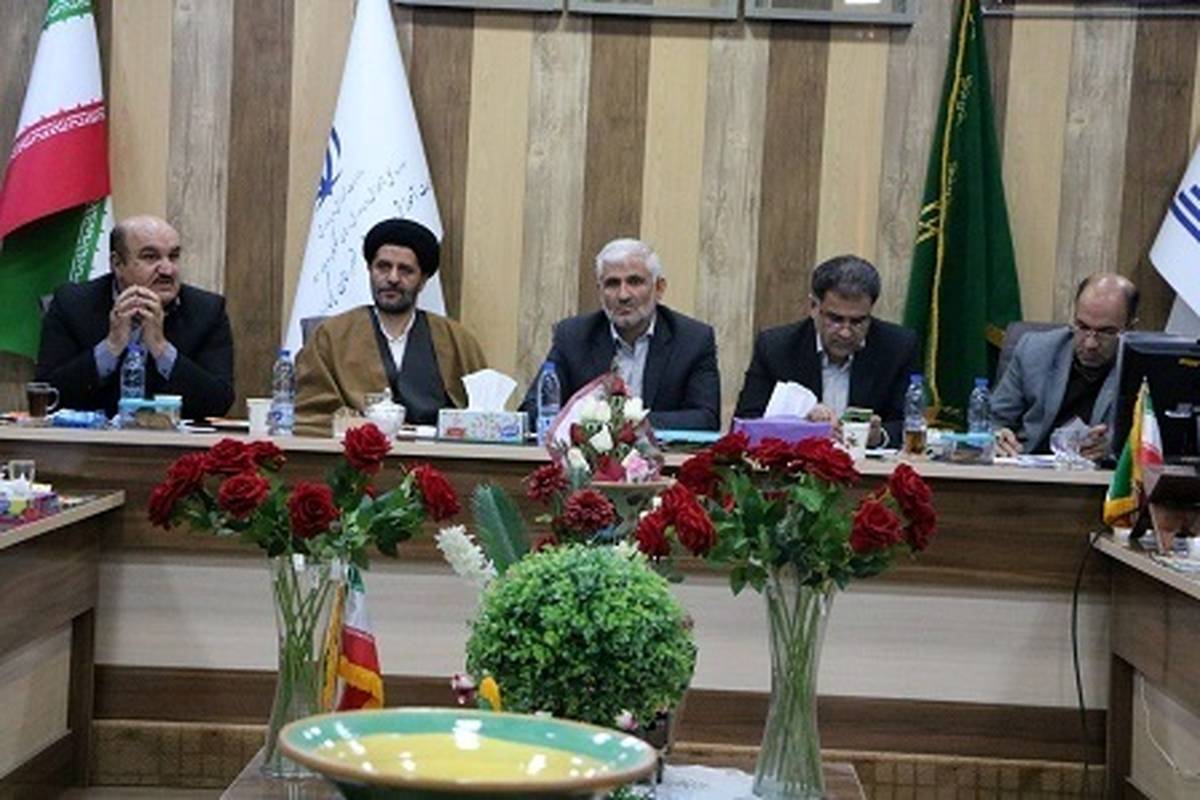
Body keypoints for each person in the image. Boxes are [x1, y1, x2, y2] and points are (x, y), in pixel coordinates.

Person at [294, 218, 487, 436]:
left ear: (423, 279)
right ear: (370, 269)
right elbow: (309, 414)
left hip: (435, 455)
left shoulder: (457, 341)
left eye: (405, 270)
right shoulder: (331, 335)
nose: (393, 278)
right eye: (383, 267)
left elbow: (483, 415)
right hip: (354, 453)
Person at [36, 215, 234, 420]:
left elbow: (219, 402)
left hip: (170, 439)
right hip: (90, 438)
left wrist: (162, 349)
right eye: (150, 257)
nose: (167, 269)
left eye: (173, 256)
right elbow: (46, 396)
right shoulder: (72, 304)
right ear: (117, 264)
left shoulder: (207, 311)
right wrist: (110, 347)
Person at [520, 238, 720, 431]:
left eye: (635, 282)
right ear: (600, 292)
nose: (623, 295)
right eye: (612, 284)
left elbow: (706, 418)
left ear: (659, 288)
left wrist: (623, 422)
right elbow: (533, 410)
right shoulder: (573, 336)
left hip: (662, 453)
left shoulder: (692, 340)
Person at [734, 255, 917, 447]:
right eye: (835, 319)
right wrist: (800, 422)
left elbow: (910, 424)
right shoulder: (776, 347)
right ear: (814, 307)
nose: (846, 332)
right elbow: (745, 423)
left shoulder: (897, 347)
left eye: (857, 322)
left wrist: (880, 436)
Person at [992, 274, 1138, 460]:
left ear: (1130, 328)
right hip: (1030, 466)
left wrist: (1116, 449)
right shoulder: (1034, 350)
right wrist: (996, 436)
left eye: (1106, 332)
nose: (1090, 344)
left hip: (1098, 474)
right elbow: (992, 419)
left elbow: (1158, 442)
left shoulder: (1142, 368)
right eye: (1082, 327)